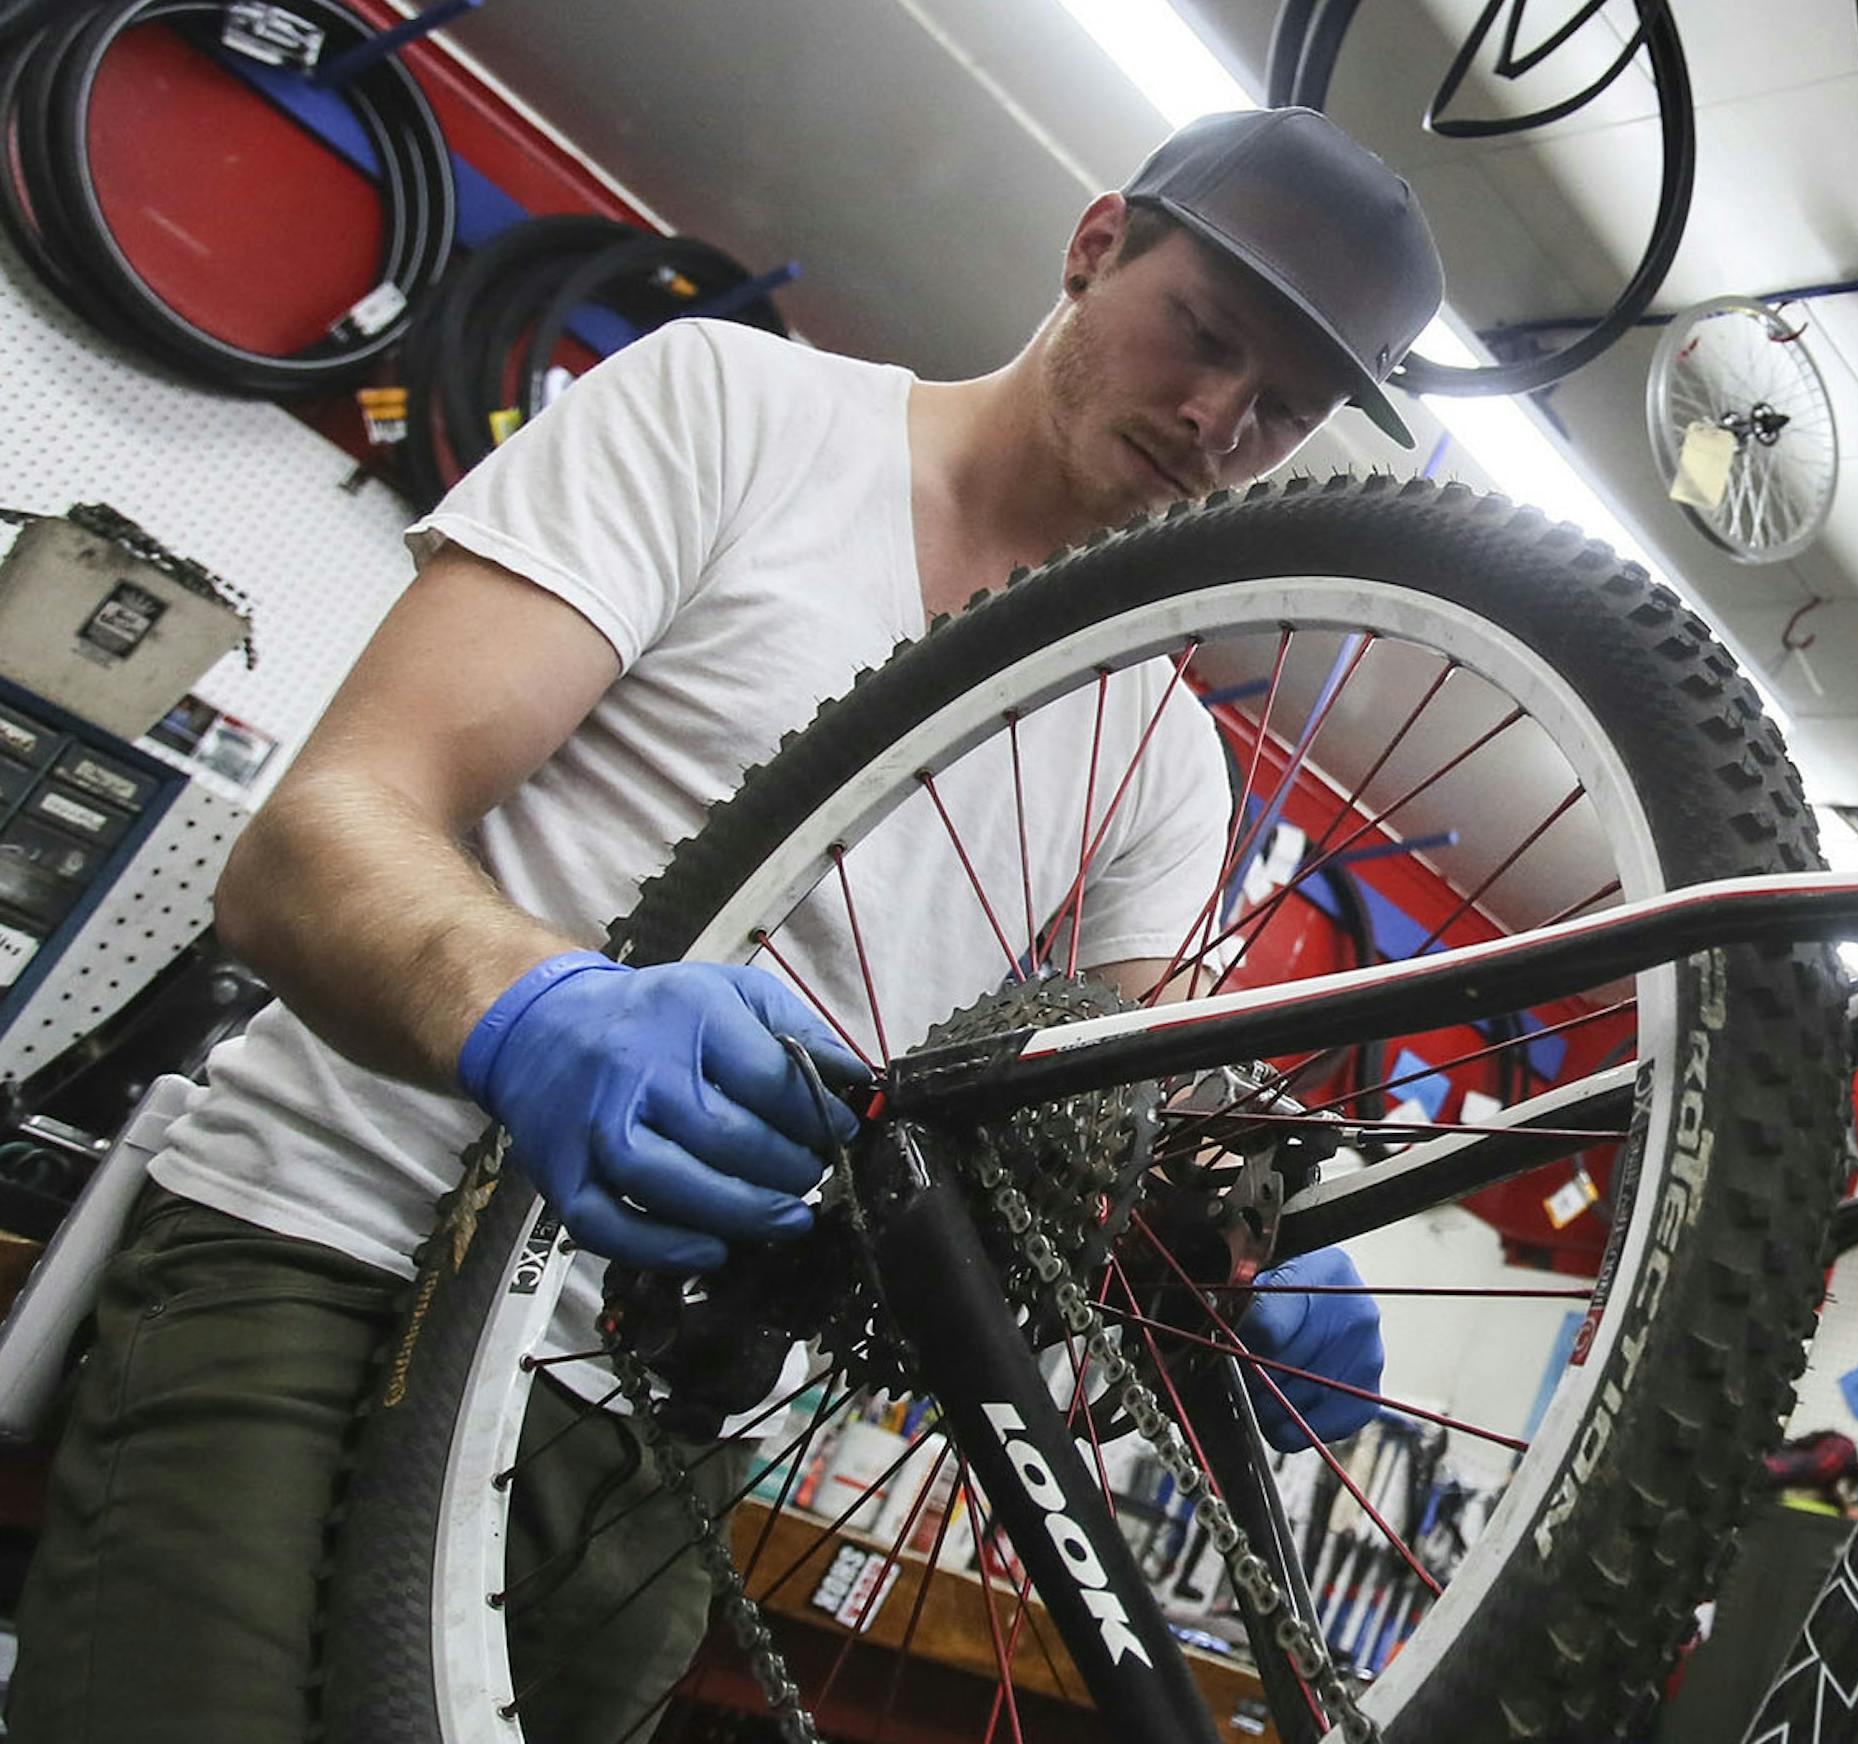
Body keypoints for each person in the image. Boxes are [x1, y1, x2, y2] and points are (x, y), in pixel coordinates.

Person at [8, 106, 1445, 1741]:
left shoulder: (1164, 762)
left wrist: (1219, 1240)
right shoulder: (737, 412)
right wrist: (531, 1007)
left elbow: (1092, 1133)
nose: (1215, 418)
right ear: (1097, 241)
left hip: (656, 1420)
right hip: (330, 1242)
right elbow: (313, 840)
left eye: (1282, 409)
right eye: (1203, 335)